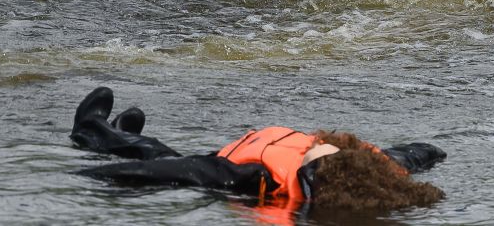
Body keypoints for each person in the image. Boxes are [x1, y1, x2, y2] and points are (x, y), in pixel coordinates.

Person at [69, 87, 446, 214]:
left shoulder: (256, 178)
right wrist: (436, 150)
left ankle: (91, 131)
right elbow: (416, 153)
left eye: (312, 149)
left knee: (158, 155)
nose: (312, 142)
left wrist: (81, 176)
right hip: (231, 160)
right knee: (155, 151)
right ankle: (118, 137)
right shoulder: (381, 168)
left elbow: (158, 174)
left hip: (224, 169)